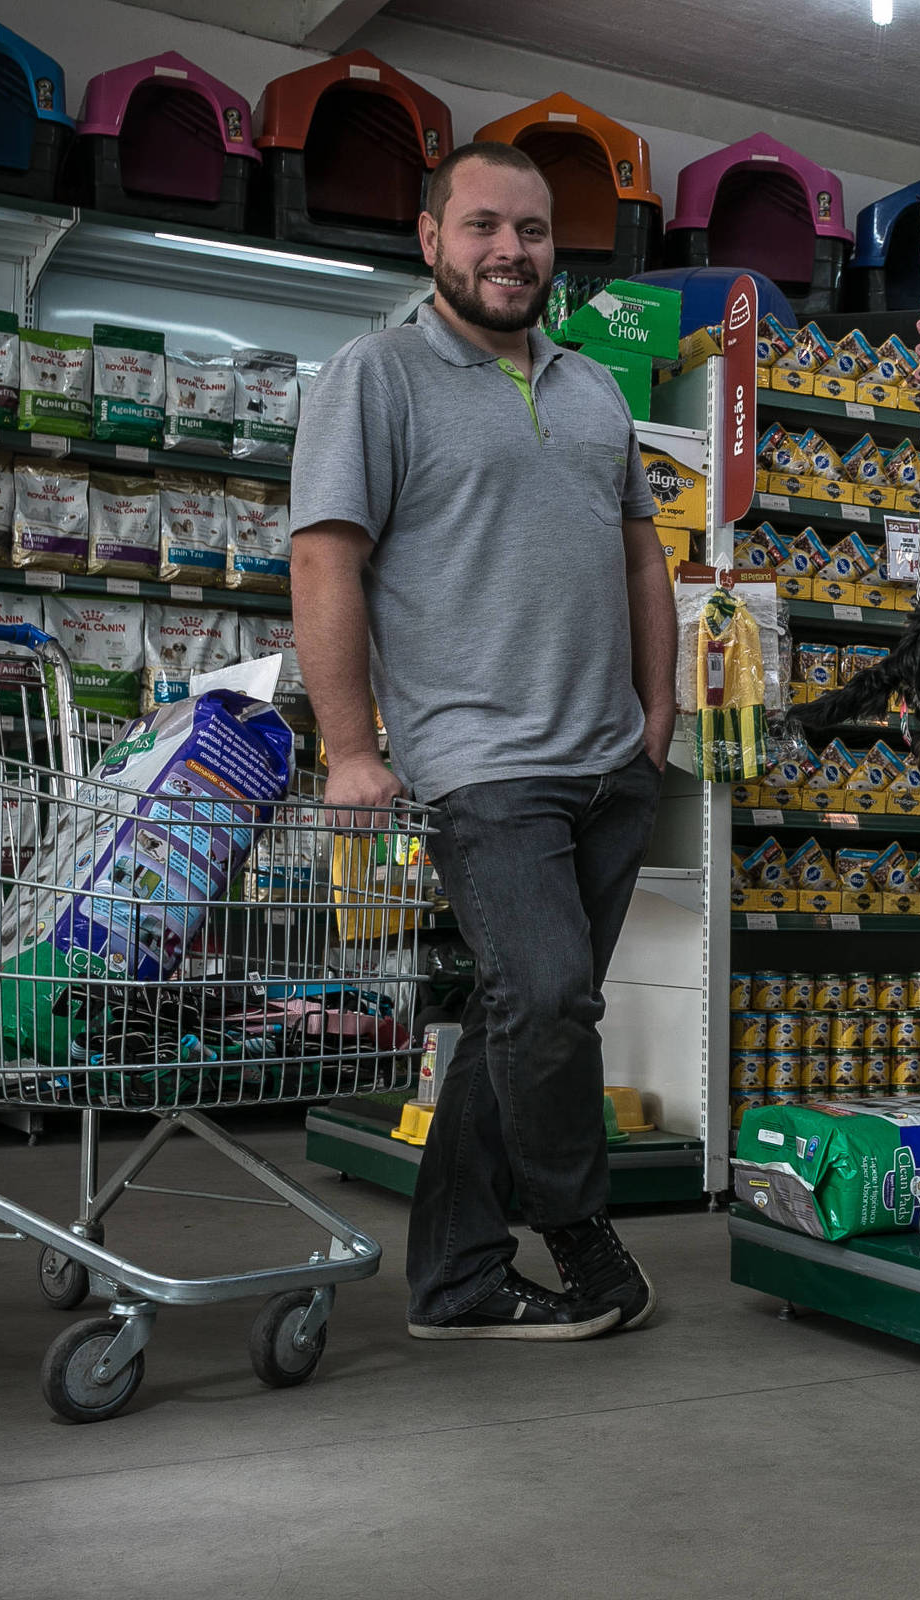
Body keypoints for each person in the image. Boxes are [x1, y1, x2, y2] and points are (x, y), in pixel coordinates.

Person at [292, 141, 677, 1342]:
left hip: (609, 762)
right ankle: (574, 1224)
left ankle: (456, 1281)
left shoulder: (592, 388)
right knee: (551, 999)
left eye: (533, 231)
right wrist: (349, 747)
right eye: (483, 227)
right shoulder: (379, 374)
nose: (511, 251)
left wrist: (656, 721)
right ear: (429, 238)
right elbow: (324, 555)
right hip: (483, 763)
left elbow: (641, 556)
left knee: (516, 1013)